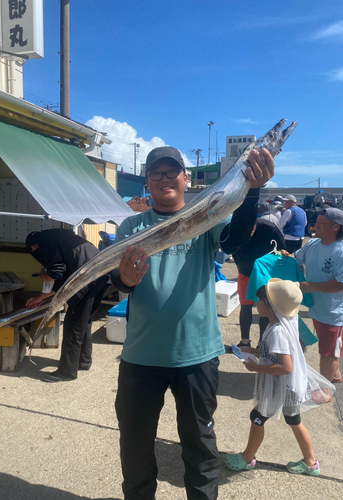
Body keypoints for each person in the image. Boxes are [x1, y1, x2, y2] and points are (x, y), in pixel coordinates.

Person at [110, 145, 275, 500]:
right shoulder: (132, 226)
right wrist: (124, 279)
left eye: (173, 172)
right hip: (141, 356)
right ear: (147, 183)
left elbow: (235, 238)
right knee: (135, 447)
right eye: (157, 173)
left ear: (186, 178)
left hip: (197, 355)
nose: (165, 178)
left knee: (200, 446)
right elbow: (118, 282)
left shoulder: (207, 216)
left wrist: (252, 191)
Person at [225, 279, 334, 476]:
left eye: (259, 301)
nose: (257, 304)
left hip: (278, 387)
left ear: (270, 305)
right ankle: (311, 463)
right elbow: (270, 353)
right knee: (293, 420)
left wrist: (256, 367)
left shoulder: (277, 331)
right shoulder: (281, 324)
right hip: (286, 387)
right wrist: (252, 351)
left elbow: (285, 366)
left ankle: (246, 458)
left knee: (257, 417)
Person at [25, 229, 109, 382]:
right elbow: (62, 277)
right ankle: (83, 361)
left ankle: (67, 372)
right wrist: (41, 297)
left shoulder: (44, 243)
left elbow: (56, 273)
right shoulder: (59, 236)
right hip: (101, 273)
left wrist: (44, 276)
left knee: (73, 325)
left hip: (85, 278)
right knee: (85, 322)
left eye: (31, 250)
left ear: (33, 246)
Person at [286, 208, 343, 383]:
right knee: (330, 349)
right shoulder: (313, 244)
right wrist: (284, 256)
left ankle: (324, 391)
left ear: (335, 227)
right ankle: (335, 375)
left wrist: (312, 286)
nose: (315, 225)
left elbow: (341, 284)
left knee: (327, 353)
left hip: (334, 313)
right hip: (318, 309)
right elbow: (296, 258)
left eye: (321, 223)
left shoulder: (340, 251)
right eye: (316, 221)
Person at [223, 218, 286, 348]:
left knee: (264, 308)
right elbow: (230, 248)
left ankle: (262, 342)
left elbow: (283, 249)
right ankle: (245, 342)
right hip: (245, 273)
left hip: (264, 276)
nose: (247, 235)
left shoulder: (270, 229)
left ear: (254, 227)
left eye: (250, 231)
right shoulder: (234, 228)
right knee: (245, 307)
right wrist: (238, 264)